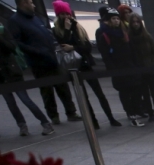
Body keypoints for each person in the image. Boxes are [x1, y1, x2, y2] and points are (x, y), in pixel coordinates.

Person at [0, 4, 53, 137]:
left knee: (25, 99)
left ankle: (45, 122)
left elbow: (10, 47)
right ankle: (22, 125)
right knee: (10, 102)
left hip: (10, 69)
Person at [8, 0, 81, 125]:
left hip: (52, 57)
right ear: (23, 3)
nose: (34, 5)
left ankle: (71, 112)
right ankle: (53, 115)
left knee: (62, 87)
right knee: (47, 90)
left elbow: (47, 33)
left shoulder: (36, 18)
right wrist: (37, 51)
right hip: (38, 61)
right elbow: (18, 42)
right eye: (30, 2)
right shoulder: (15, 20)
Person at [51, 1, 119, 129]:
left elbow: (87, 47)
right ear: (58, 15)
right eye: (63, 14)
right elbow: (63, 47)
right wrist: (67, 31)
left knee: (99, 93)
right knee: (84, 97)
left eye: (67, 13)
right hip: (73, 67)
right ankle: (93, 121)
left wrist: (74, 47)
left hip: (86, 64)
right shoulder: (56, 30)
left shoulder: (77, 27)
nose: (66, 17)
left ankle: (111, 118)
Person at [95, 8, 144, 127]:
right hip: (118, 69)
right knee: (125, 92)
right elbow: (105, 55)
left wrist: (136, 64)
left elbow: (132, 50)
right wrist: (113, 69)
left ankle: (136, 109)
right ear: (109, 20)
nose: (116, 21)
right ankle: (131, 113)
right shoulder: (104, 35)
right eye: (113, 18)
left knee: (136, 89)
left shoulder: (124, 33)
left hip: (130, 67)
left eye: (117, 18)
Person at [129, 14, 154, 122]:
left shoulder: (147, 36)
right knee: (145, 94)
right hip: (140, 70)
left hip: (150, 68)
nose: (135, 24)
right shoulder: (130, 38)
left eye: (137, 22)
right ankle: (151, 113)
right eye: (133, 22)